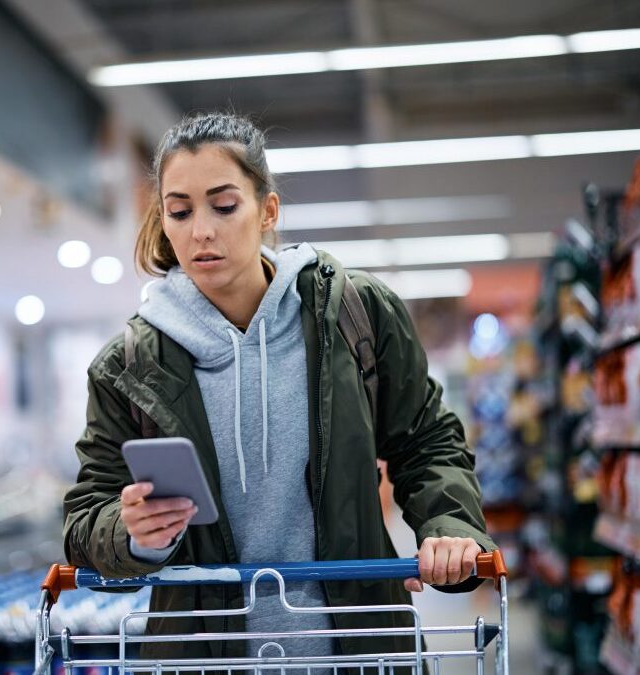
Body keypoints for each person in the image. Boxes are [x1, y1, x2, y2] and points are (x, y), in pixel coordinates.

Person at [63, 112, 496, 663]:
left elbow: (425, 440)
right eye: (179, 211)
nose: (201, 230)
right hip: (205, 656)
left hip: (359, 649)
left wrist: (450, 526)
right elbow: (84, 519)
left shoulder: (354, 315)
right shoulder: (128, 366)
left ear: (268, 211)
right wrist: (131, 532)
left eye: (224, 206)